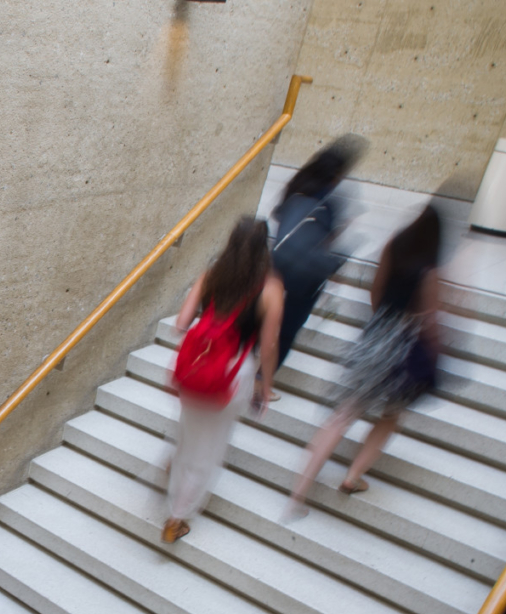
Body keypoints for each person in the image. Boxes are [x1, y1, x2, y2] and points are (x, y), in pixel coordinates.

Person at [287, 204, 443, 517]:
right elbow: (430, 319)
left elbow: (375, 290)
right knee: (390, 416)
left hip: (375, 335)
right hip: (403, 345)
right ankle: (353, 476)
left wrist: (379, 323)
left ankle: (299, 492)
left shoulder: (393, 246)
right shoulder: (429, 271)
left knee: (343, 414)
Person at [162, 218, 284, 544]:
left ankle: (174, 470)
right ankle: (176, 519)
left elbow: (180, 323)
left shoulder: (211, 273)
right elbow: (269, 346)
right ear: (264, 248)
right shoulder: (271, 289)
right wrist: (265, 385)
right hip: (232, 375)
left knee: (190, 434)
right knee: (208, 450)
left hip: (195, 369)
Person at [271, 134, 367, 366]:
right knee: (288, 327)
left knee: (263, 316)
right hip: (307, 274)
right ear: (337, 174)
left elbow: (278, 214)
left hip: (278, 262)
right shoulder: (330, 199)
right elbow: (328, 239)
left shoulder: (297, 186)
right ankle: (262, 379)